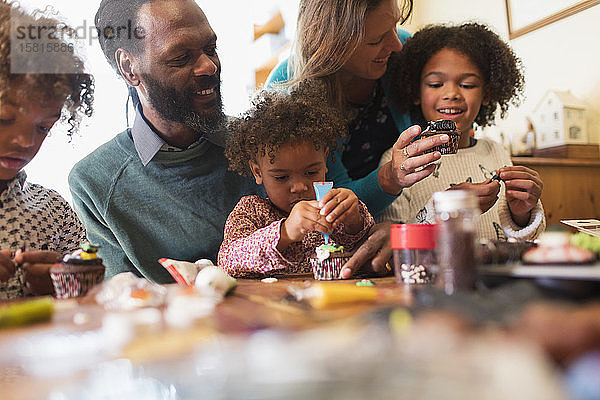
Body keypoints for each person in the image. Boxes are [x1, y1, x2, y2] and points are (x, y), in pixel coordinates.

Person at [71, 0, 391, 282]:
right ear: (130, 68)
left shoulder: (267, 143)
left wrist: (383, 232)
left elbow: (347, 222)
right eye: (182, 57)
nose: (209, 66)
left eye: (211, 48)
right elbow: (118, 302)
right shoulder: (96, 182)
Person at [265, 0, 449, 217]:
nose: (396, 44)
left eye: (394, 25)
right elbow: (327, 201)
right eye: (376, 40)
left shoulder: (404, 52)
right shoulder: (287, 91)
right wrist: (389, 177)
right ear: (332, 45)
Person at [378, 23, 546, 240]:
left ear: (487, 93)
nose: (451, 93)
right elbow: (394, 244)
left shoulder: (495, 152)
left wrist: (521, 213)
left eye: (467, 85)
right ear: (415, 91)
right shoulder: (399, 162)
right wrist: (446, 208)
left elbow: (520, 241)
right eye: (436, 83)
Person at [218, 83, 374, 278]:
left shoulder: (335, 206)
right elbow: (228, 260)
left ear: (325, 161)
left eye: (311, 172)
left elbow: (365, 248)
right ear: (258, 172)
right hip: (274, 306)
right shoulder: (251, 211)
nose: (300, 187)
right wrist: (285, 232)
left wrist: (355, 221)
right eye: (282, 177)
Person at [0, 0, 93, 299]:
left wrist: (65, 285)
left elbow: (88, 303)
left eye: (43, 127)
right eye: (4, 119)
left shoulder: (54, 212)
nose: (25, 141)